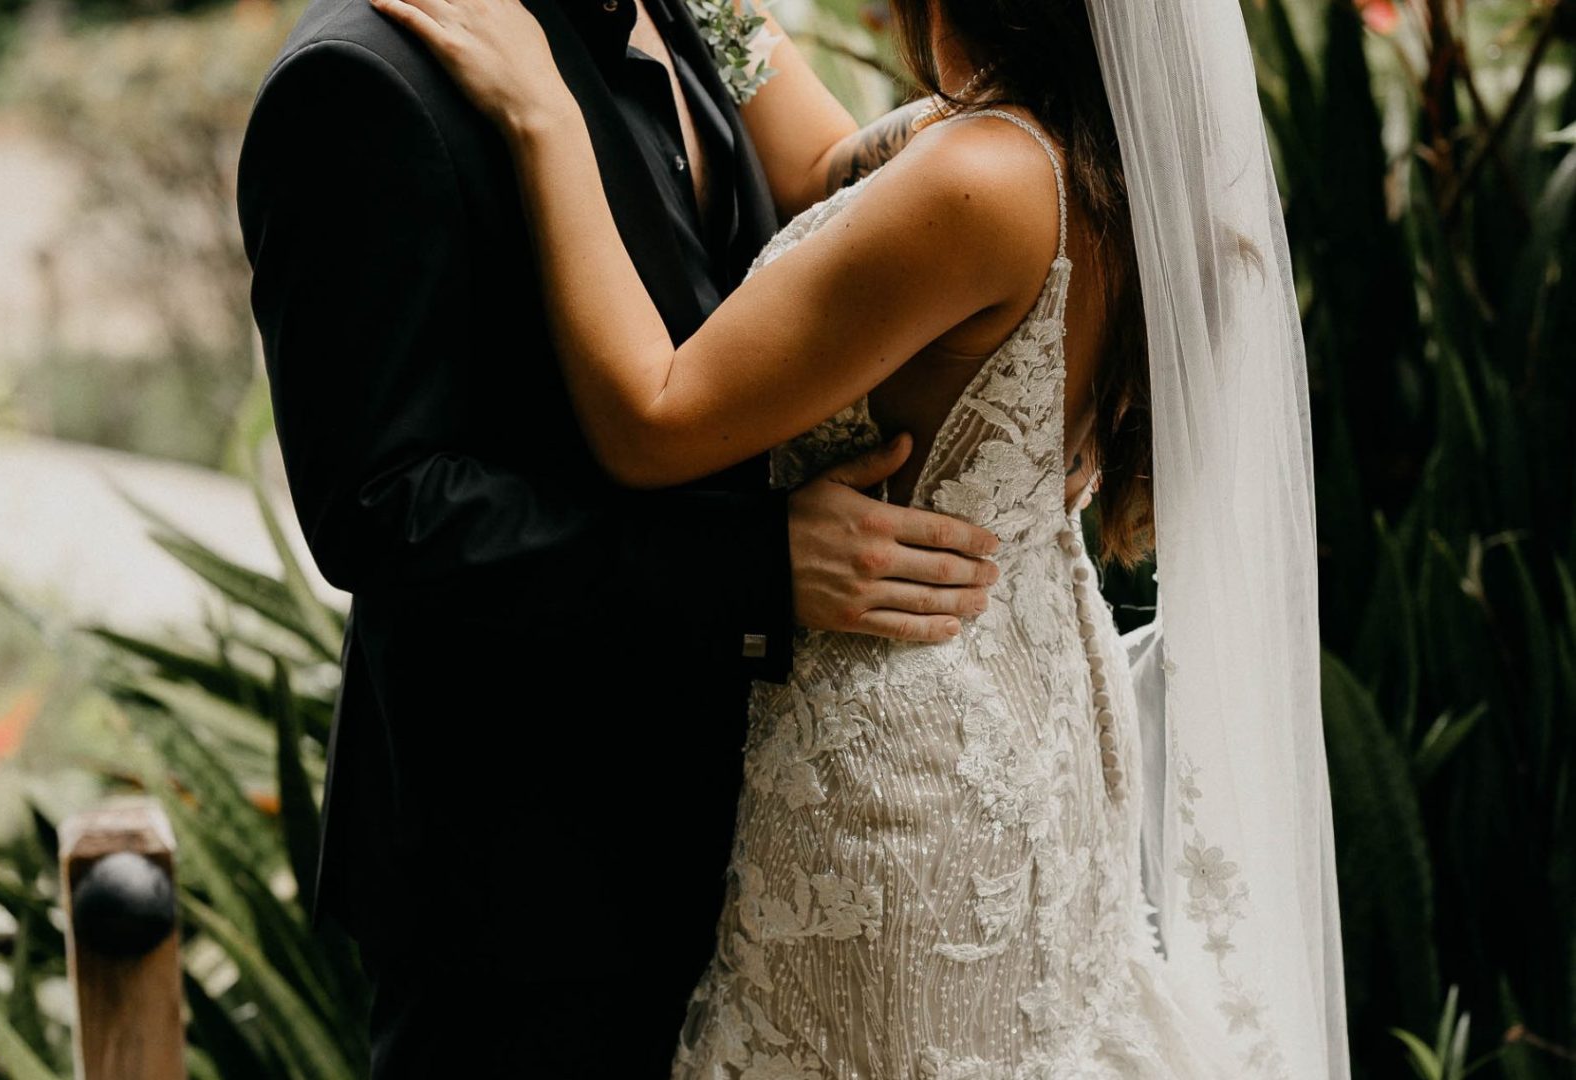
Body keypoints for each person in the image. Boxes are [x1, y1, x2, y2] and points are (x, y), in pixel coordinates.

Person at [373, 0, 1355, 1075]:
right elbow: (831, 173)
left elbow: (652, 419)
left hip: (908, 761)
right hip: (1030, 719)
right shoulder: (1080, 147)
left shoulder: (982, 176)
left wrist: (543, 116)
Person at [233, 0, 1009, 1074]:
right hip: (530, 889)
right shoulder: (361, 81)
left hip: (757, 850)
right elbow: (386, 509)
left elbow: (820, 193)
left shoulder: (680, 19)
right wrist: (756, 568)